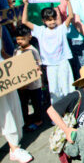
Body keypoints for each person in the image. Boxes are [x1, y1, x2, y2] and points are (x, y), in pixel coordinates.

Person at [22, 0, 75, 104]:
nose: (52, 22)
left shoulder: (61, 29)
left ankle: (70, 110)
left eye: (53, 19)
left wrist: (68, 1)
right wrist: (26, 4)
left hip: (63, 62)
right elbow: (24, 21)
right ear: (43, 21)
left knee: (66, 87)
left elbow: (70, 16)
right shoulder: (40, 30)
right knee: (53, 90)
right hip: (50, 65)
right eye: (48, 20)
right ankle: (57, 113)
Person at [0, 26, 33, 163]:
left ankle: (14, 147)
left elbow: (2, 53)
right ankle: (14, 147)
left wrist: (22, 68)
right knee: (4, 111)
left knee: (12, 107)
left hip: (4, 74)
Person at [14, 25, 43, 130]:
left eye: (22, 39)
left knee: (36, 103)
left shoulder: (33, 50)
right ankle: (26, 121)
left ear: (29, 37)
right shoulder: (16, 50)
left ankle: (38, 120)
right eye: (18, 39)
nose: (20, 41)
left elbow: (37, 65)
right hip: (21, 85)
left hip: (34, 84)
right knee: (23, 103)